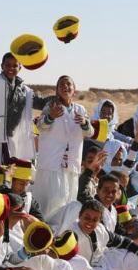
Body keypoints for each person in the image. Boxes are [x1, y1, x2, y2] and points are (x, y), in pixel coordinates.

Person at [0, 42, 49, 166]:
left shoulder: (25, 91)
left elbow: (41, 103)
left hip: (11, 140)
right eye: (7, 65)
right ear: (2, 66)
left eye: (15, 65)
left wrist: (59, 98)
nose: (11, 68)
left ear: (20, 67)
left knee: (9, 172)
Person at [33, 75, 94, 218]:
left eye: (68, 84)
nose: (65, 87)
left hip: (71, 165)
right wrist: (51, 117)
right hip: (52, 165)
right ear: (57, 90)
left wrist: (84, 123)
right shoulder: (50, 107)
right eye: (62, 85)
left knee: (68, 202)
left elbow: (90, 132)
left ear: (74, 90)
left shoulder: (80, 110)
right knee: (50, 202)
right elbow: (40, 126)